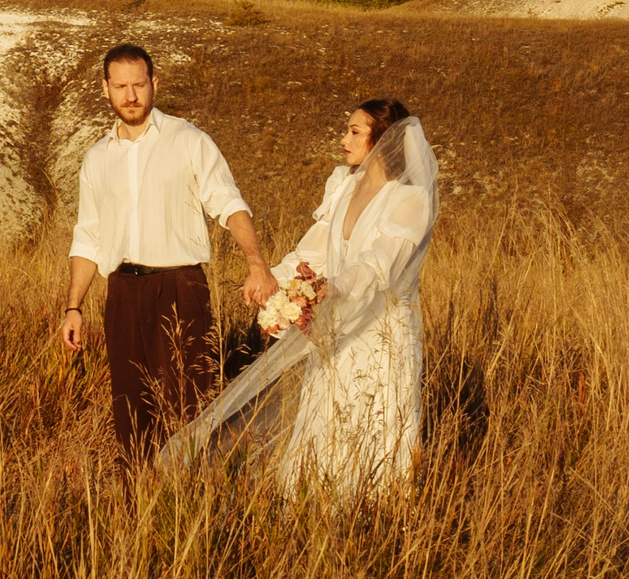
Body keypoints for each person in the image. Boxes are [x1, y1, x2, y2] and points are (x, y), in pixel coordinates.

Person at [162, 99, 440, 494]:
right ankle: (312, 503)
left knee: (373, 417)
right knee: (325, 414)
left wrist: (337, 286)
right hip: (337, 324)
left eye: (355, 132)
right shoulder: (344, 184)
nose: (343, 138)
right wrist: (270, 281)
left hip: (382, 333)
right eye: (347, 129)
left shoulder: (409, 200)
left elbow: (382, 263)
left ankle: (377, 512)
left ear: (383, 139)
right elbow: (312, 253)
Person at [60, 43, 279, 462]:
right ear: (105, 89)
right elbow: (87, 237)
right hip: (121, 293)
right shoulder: (96, 158)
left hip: (179, 288)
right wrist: (74, 307)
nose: (130, 96)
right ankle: (138, 507)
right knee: (131, 411)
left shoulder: (188, 140)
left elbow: (228, 203)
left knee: (189, 406)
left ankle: (192, 504)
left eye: (138, 85)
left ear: (154, 84)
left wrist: (256, 262)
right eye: (120, 86)